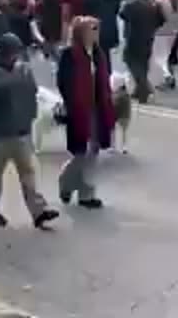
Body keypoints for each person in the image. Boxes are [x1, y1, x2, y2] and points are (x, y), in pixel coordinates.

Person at [0, 32, 60, 230]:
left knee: (28, 173)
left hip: (20, 129)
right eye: (12, 53)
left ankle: (38, 211)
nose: (15, 57)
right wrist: (20, 75)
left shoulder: (21, 68)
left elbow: (31, 89)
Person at [55, 15, 114, 210]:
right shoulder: (69, 55)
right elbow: (63, 82)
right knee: (81, 152)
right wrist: (72, 103)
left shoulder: (98, 53)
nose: (96, 33)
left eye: (97, 29)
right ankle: (65, 181)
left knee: (94, 151)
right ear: (81, 33)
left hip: (97, 107)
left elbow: (104, 80)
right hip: (79, 108)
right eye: (92, 29)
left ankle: (87, 195)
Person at [120, 0, 166, 103]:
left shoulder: (132, 4)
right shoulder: (154, 5)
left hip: (133, 38)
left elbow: (122, 14)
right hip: (148, 38)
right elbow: (161, 21)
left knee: (132, 63)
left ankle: (144, 89)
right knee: (143, 65)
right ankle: (138, 91)